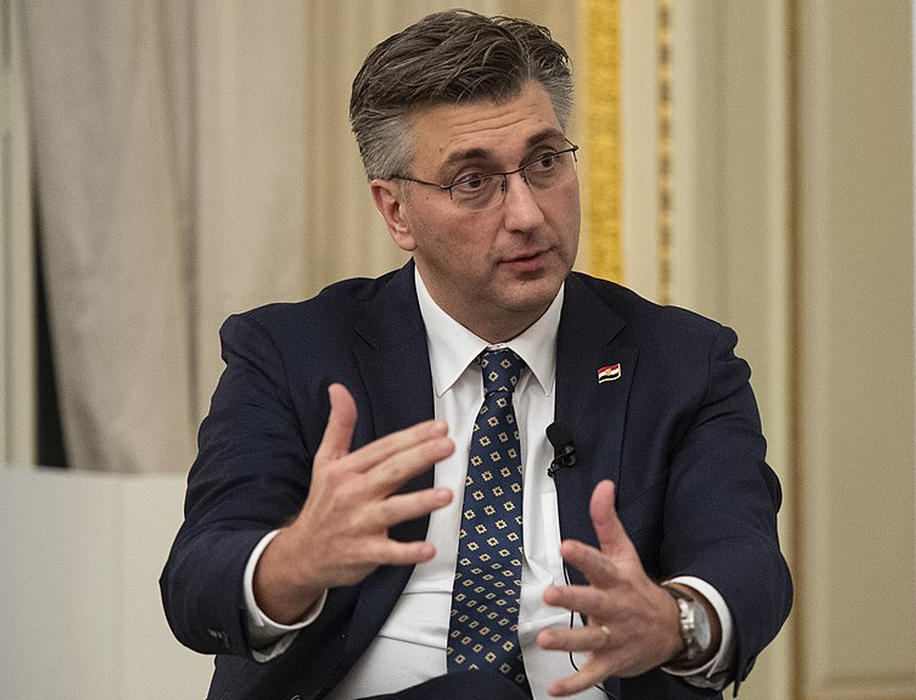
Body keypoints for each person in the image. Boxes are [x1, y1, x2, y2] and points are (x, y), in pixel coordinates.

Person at [160, 10, 791, 700]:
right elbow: (197, 581)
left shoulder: (684, 362)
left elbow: (745, 559)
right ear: (396, 212)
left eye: (545, 162)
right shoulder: (292, 353)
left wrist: (676, 621)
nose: (527, 214)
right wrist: (295, 560)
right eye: (472, 180)